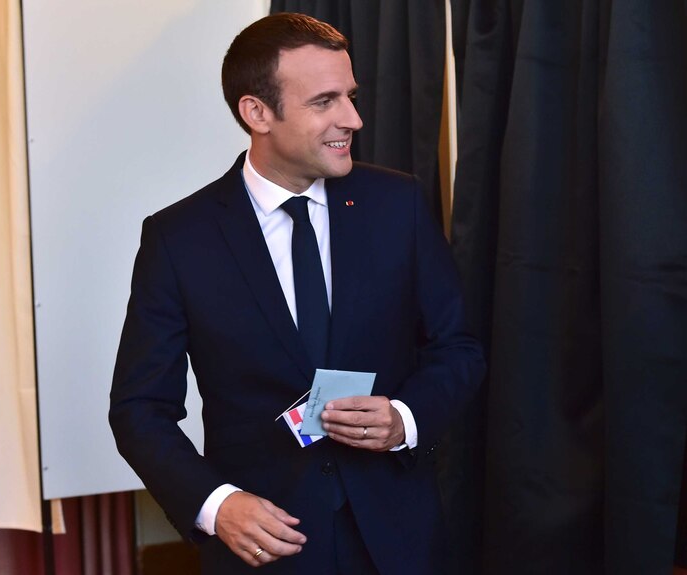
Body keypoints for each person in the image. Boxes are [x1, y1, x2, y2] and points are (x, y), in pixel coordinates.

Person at [109, 12, 485, 575]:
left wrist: (405, 417)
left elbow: (458, 348)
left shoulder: (397, 205)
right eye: (324, 101)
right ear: (256, 113)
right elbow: (140, 410)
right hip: (264, 545)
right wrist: (218, 506)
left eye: (351, 96)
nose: (353, 118)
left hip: (397, 537)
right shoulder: (177, 239)